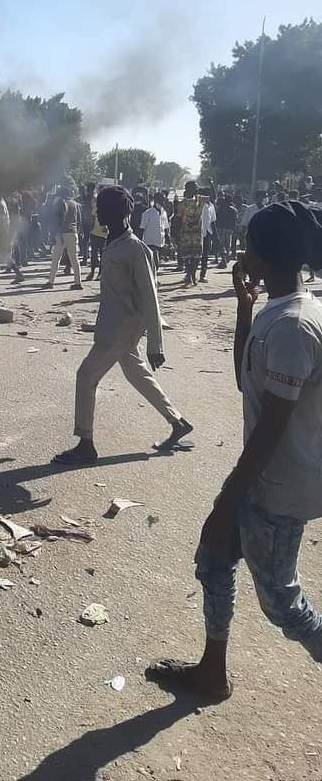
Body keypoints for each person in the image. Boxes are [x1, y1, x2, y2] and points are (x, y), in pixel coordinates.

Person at [148, 199, 322, 702]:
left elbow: (271, 429)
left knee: (282, 603)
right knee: (215, 556)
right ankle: (211, 673)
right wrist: (244, 309)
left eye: (247, 244)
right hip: (264, 476)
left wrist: (227, 501)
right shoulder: (282, 309)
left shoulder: (292, 327)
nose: (240, 252)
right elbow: (245, 381)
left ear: (264, 254)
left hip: (278, 487)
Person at [53, 186, 192, 464]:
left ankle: (85, 445)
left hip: (121, 329)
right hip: (113, 325)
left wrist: (156, 344)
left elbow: (150, 296)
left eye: (100, 209)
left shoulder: (134, 249)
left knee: (85, 376)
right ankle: (177, 422)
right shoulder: (113, 242)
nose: (97, 213)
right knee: (137, 375)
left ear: (113, 213)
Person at [46, 185, 82, 290]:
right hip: (73, 233)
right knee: (74, 259)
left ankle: (51, 282)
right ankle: (78, 282)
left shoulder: (59, 203)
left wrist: (54, 235)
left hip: (62, 234)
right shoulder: (75, 204)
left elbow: (56, 220)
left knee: (56, 259)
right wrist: (77, 232)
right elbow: (79, 221)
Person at [176, 180, 204, 287]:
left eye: (196, 187)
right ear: (188, 189)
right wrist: (177, 234)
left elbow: (213, 197)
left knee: (197, 256)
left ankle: (193, 274)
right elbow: (178, 219)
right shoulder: (181, 204)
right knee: (187, 256)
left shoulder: (200, 201)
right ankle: (189, 274)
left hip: (197, 233)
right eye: (194, 187)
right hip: (185, 233)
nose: (196, 189)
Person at [140, 192, 170, 273]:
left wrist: (168, 240)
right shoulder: (148, 213)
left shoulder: (164, 213)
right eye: (162, 199)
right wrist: (140, 242)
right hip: (150, 242)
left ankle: (153, 275)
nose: (164, 201)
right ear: (157, 200)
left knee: (156, 263)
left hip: (160, 241)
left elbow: (166, 227)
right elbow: (142, 228)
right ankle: (153, 276)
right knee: (155, 261)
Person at [87, 191, 108, 281]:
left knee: (100, 254)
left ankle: (99, 273)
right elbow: (92, 219)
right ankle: (93, 272)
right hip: (95, 233)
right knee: (94, 254)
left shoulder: (106, 207)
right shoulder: (96, 207)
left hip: (103, 234)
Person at [199, 187, 218, 283]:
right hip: (197, 232)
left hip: (208, 233)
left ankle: (202, 275)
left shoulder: (211, 206)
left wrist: (215, 235)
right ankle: (189, 274)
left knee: (205, 255)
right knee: (194, 254)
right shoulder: (198, 205)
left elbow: (213, 221)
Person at [215, 194, 238, 268]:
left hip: (221, 229)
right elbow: (234, 221)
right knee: (227, 245)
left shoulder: (220, 209)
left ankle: (223, 260)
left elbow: (216, 219)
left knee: (221, 245)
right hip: (229, 229)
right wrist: (234, 230)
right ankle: (225, 258)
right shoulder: (233, 210)